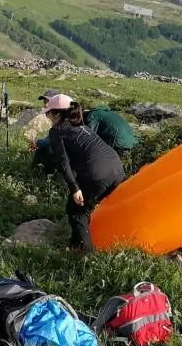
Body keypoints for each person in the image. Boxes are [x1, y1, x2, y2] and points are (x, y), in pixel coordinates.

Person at [44, 94, 126, 250]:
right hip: (116, 168)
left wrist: (74, 188)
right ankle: (77, 244)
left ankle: (86, 256)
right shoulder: (82, 126)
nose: (48, 116)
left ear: (57, 114)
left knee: (76, 211)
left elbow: (63, 162)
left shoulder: (57, 131)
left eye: (49, 112)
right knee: (90, 207)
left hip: (98, 174)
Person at [31, 88, 61, 171]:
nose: (46, 105)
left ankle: (49, 174)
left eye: (48, 101)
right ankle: (35, 171)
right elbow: (52, 136)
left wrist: (38, 142)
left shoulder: (60, 116)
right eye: (44, 102)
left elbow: (55, 139)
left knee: (48, 147)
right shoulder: (53, 115)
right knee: (42, 145)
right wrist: (39, 143)